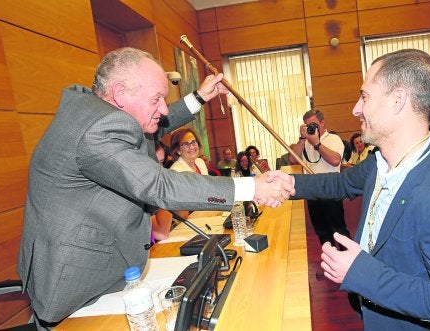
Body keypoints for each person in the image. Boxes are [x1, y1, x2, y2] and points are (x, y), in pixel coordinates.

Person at [17, 47, 295, 328]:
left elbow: (149, 124)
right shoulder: (97, 130)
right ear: (121, 94)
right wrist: (250, 188)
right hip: (76, 282)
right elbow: (156, 184)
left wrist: (199, 98)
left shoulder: (98, 110)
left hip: (102, 270)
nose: (163, 109)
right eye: (157, 99)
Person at [290, 49, 430, 329]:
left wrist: (361, 273)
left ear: (397, 100)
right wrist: (288, 184)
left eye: (364, 96)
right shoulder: (379, 163)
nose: (356, 109)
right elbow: (340, 183)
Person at [289, 109, 350, 246]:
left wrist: (317, 143)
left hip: (331, 190)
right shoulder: (305, 141)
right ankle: (331, 260)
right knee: (322, 232)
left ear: (322, 123)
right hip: (312, 191)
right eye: (307, 125)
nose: (311, 128)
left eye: (313, 124)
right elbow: (292, 159)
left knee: (339, 230)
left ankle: (349, 263)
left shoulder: (333, 139)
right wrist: (303, 138)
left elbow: (335, 160)